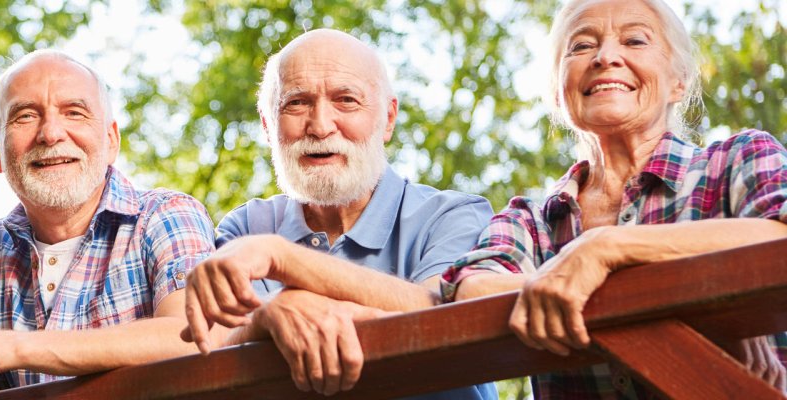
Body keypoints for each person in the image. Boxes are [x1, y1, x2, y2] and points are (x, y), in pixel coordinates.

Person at [440, 0, 787, 397]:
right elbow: (471, 290)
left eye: (635, 40)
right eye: (581, 46)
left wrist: (606, 248)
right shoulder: (530, 221)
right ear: (557, 93)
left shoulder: (740, 159)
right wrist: (711, 306)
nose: (605, 56)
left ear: (680, 81)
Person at [0, 49, 217, 398]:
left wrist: (9, 347)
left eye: (74, 113)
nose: (50, 133)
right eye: (25, 116)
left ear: (111, 140)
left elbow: (196, 335)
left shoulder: (166, 215)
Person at [180, 29, 497, 399]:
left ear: (388, 118)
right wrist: (267, 315)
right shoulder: (245, 227)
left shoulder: (454, 214)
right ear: (268, 126)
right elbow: (215, 344)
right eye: (296, 103)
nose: (320, 126)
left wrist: (281, 259)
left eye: (346, 100)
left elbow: (443, 318)